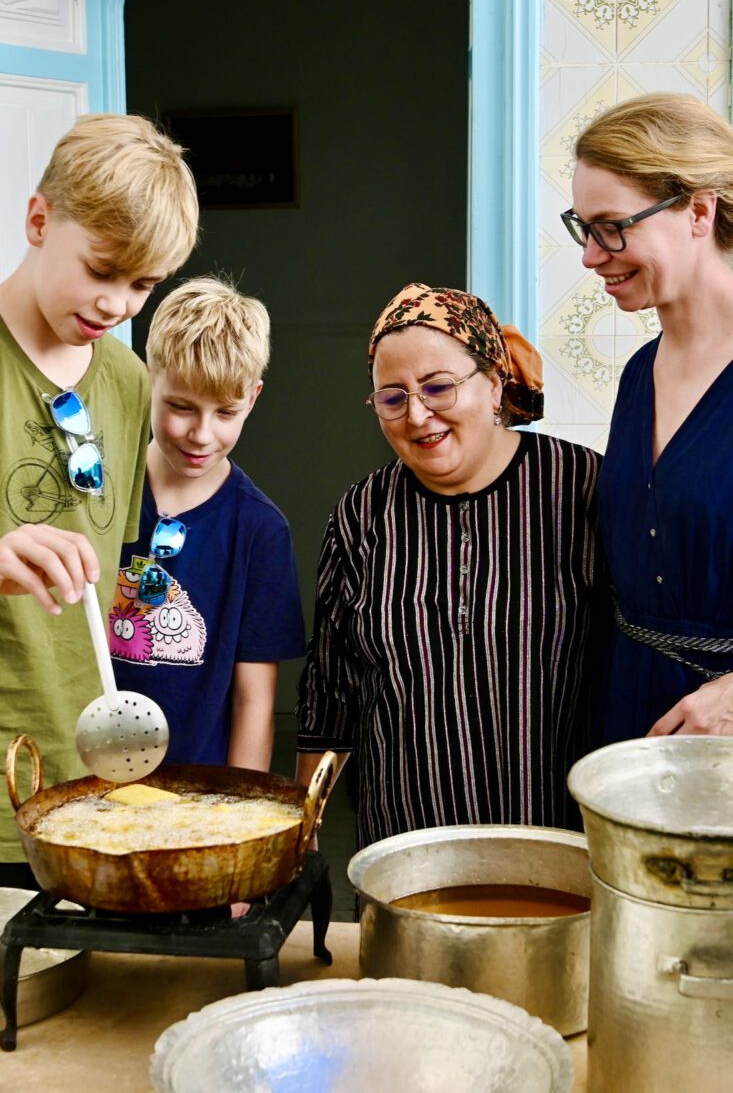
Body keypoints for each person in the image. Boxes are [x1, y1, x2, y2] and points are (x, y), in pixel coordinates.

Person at [295, 283, 608, 851]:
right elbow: (329, 691)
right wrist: (303, 833)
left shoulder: (584, 490)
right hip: (407, 846)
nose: (417, 415)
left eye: (437, 387)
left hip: (564, 846)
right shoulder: (363, 514)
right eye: (392, 398)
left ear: (493, 383)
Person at [0, 113, 199, 886]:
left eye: (143, 285)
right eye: (103, 270)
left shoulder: (125, 383)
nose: (118, 303)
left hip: (84, 781)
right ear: (39, 220)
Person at [565, 92, 733, 741]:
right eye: (582, 228)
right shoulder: (638, 375)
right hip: (631, 719)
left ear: (696, 210)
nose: (589, 254)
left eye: (611, 226)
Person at [110, 277, 306, 772]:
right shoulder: (103, 495)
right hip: (85, 783)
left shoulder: (261, 531)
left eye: (226, 412)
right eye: (180, 407)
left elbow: (254, 703)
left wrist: (239, 821)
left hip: (200, 797)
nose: (201, 435)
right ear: (147, 377)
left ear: (253, 398)